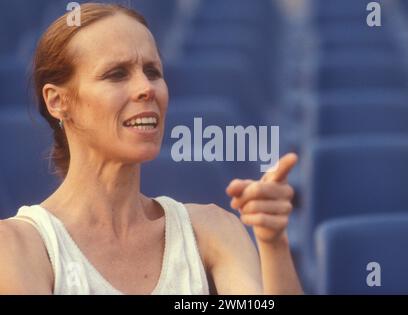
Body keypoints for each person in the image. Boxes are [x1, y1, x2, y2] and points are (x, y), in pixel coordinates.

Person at [0, 3, 302, 295]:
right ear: (57, 102)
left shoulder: (213, 229)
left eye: (153, 71)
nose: (147, 87)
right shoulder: (18, 246)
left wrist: (273, 242)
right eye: (117, 74)